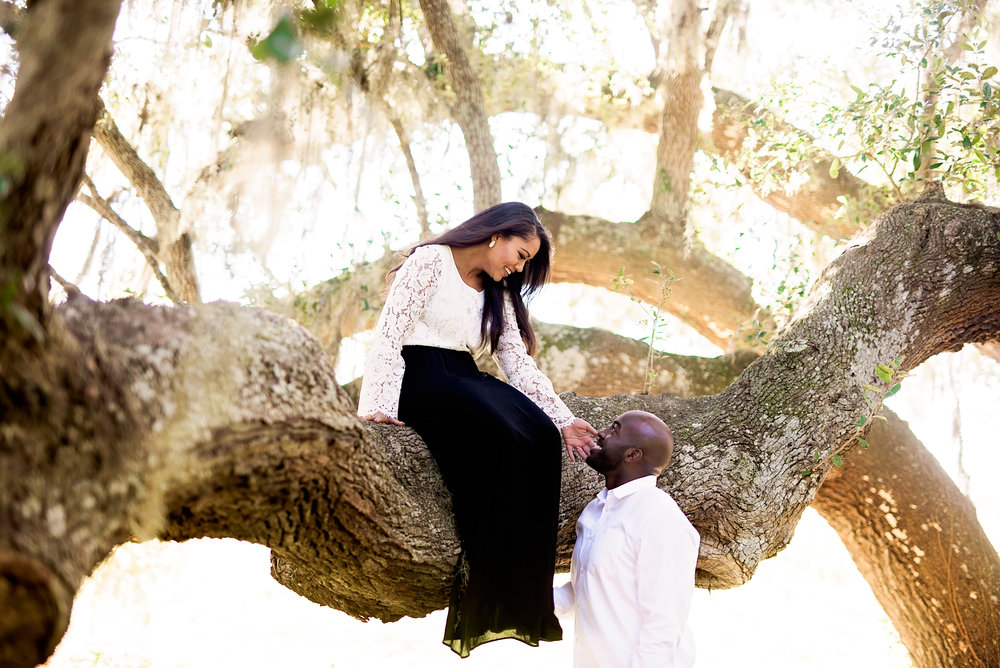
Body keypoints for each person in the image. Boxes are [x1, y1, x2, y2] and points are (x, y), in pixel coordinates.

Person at [357, 201, 598, 658]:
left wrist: (563, 420)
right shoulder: (430, 261)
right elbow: (389, 334)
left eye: (526, 261)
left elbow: (516, 361)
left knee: (539, 435)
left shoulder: (498, 291)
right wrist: (377, 408)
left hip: (463, 376)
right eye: (521, 254)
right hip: (420, 374)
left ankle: (524, 593)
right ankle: (488, 575)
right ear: (496, 235)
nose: (518, 266)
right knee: (500, 434)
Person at [553, 410, 700, 668]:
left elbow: (663, 627)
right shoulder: (596, 510)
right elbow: (584, 592)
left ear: (633, 455)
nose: (601, 433)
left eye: (614, 429)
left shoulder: (659, 520)